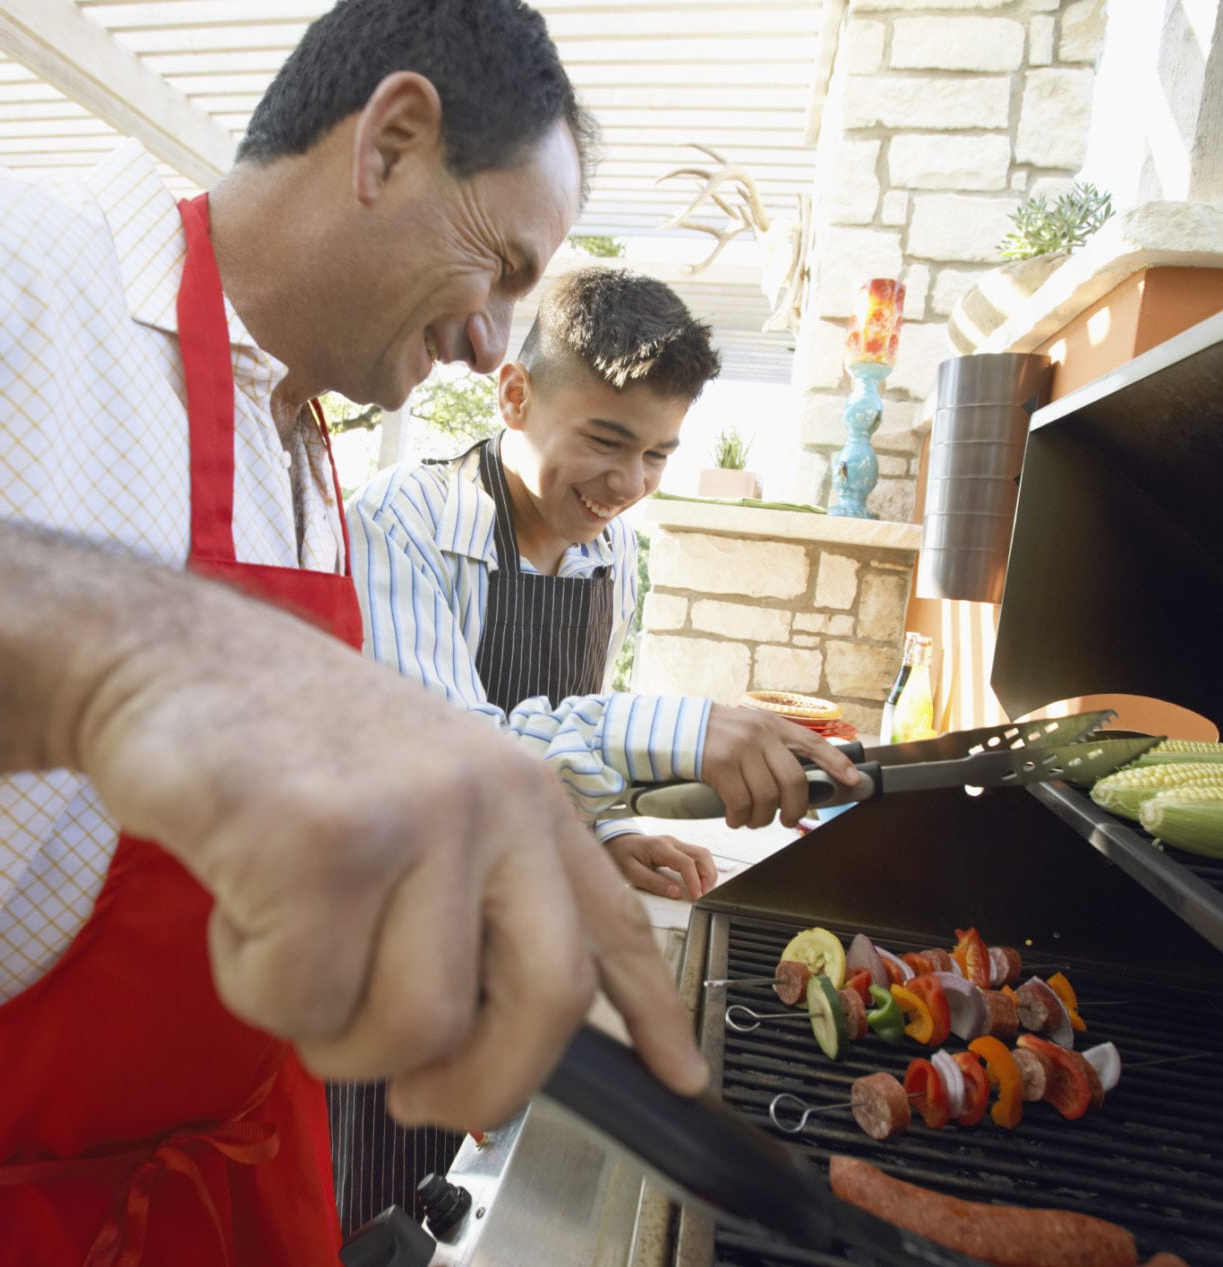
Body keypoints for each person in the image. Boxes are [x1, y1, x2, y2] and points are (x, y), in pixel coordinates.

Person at [0, 0, 785, 1261]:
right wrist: (100, 647)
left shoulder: (306, 445)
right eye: (497, 267)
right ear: (390, 142)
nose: (489, 340)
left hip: (231, 1183)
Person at [336, 266, 858, 1231]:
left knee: (441, 1187)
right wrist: (678, 732)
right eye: (607, 441)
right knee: (353, 1190)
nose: (627, 485)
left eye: (658, 454)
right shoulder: (395, 526)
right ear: (514, 395)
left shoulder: (605, 548)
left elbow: (569, 712)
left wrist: (609, 824)